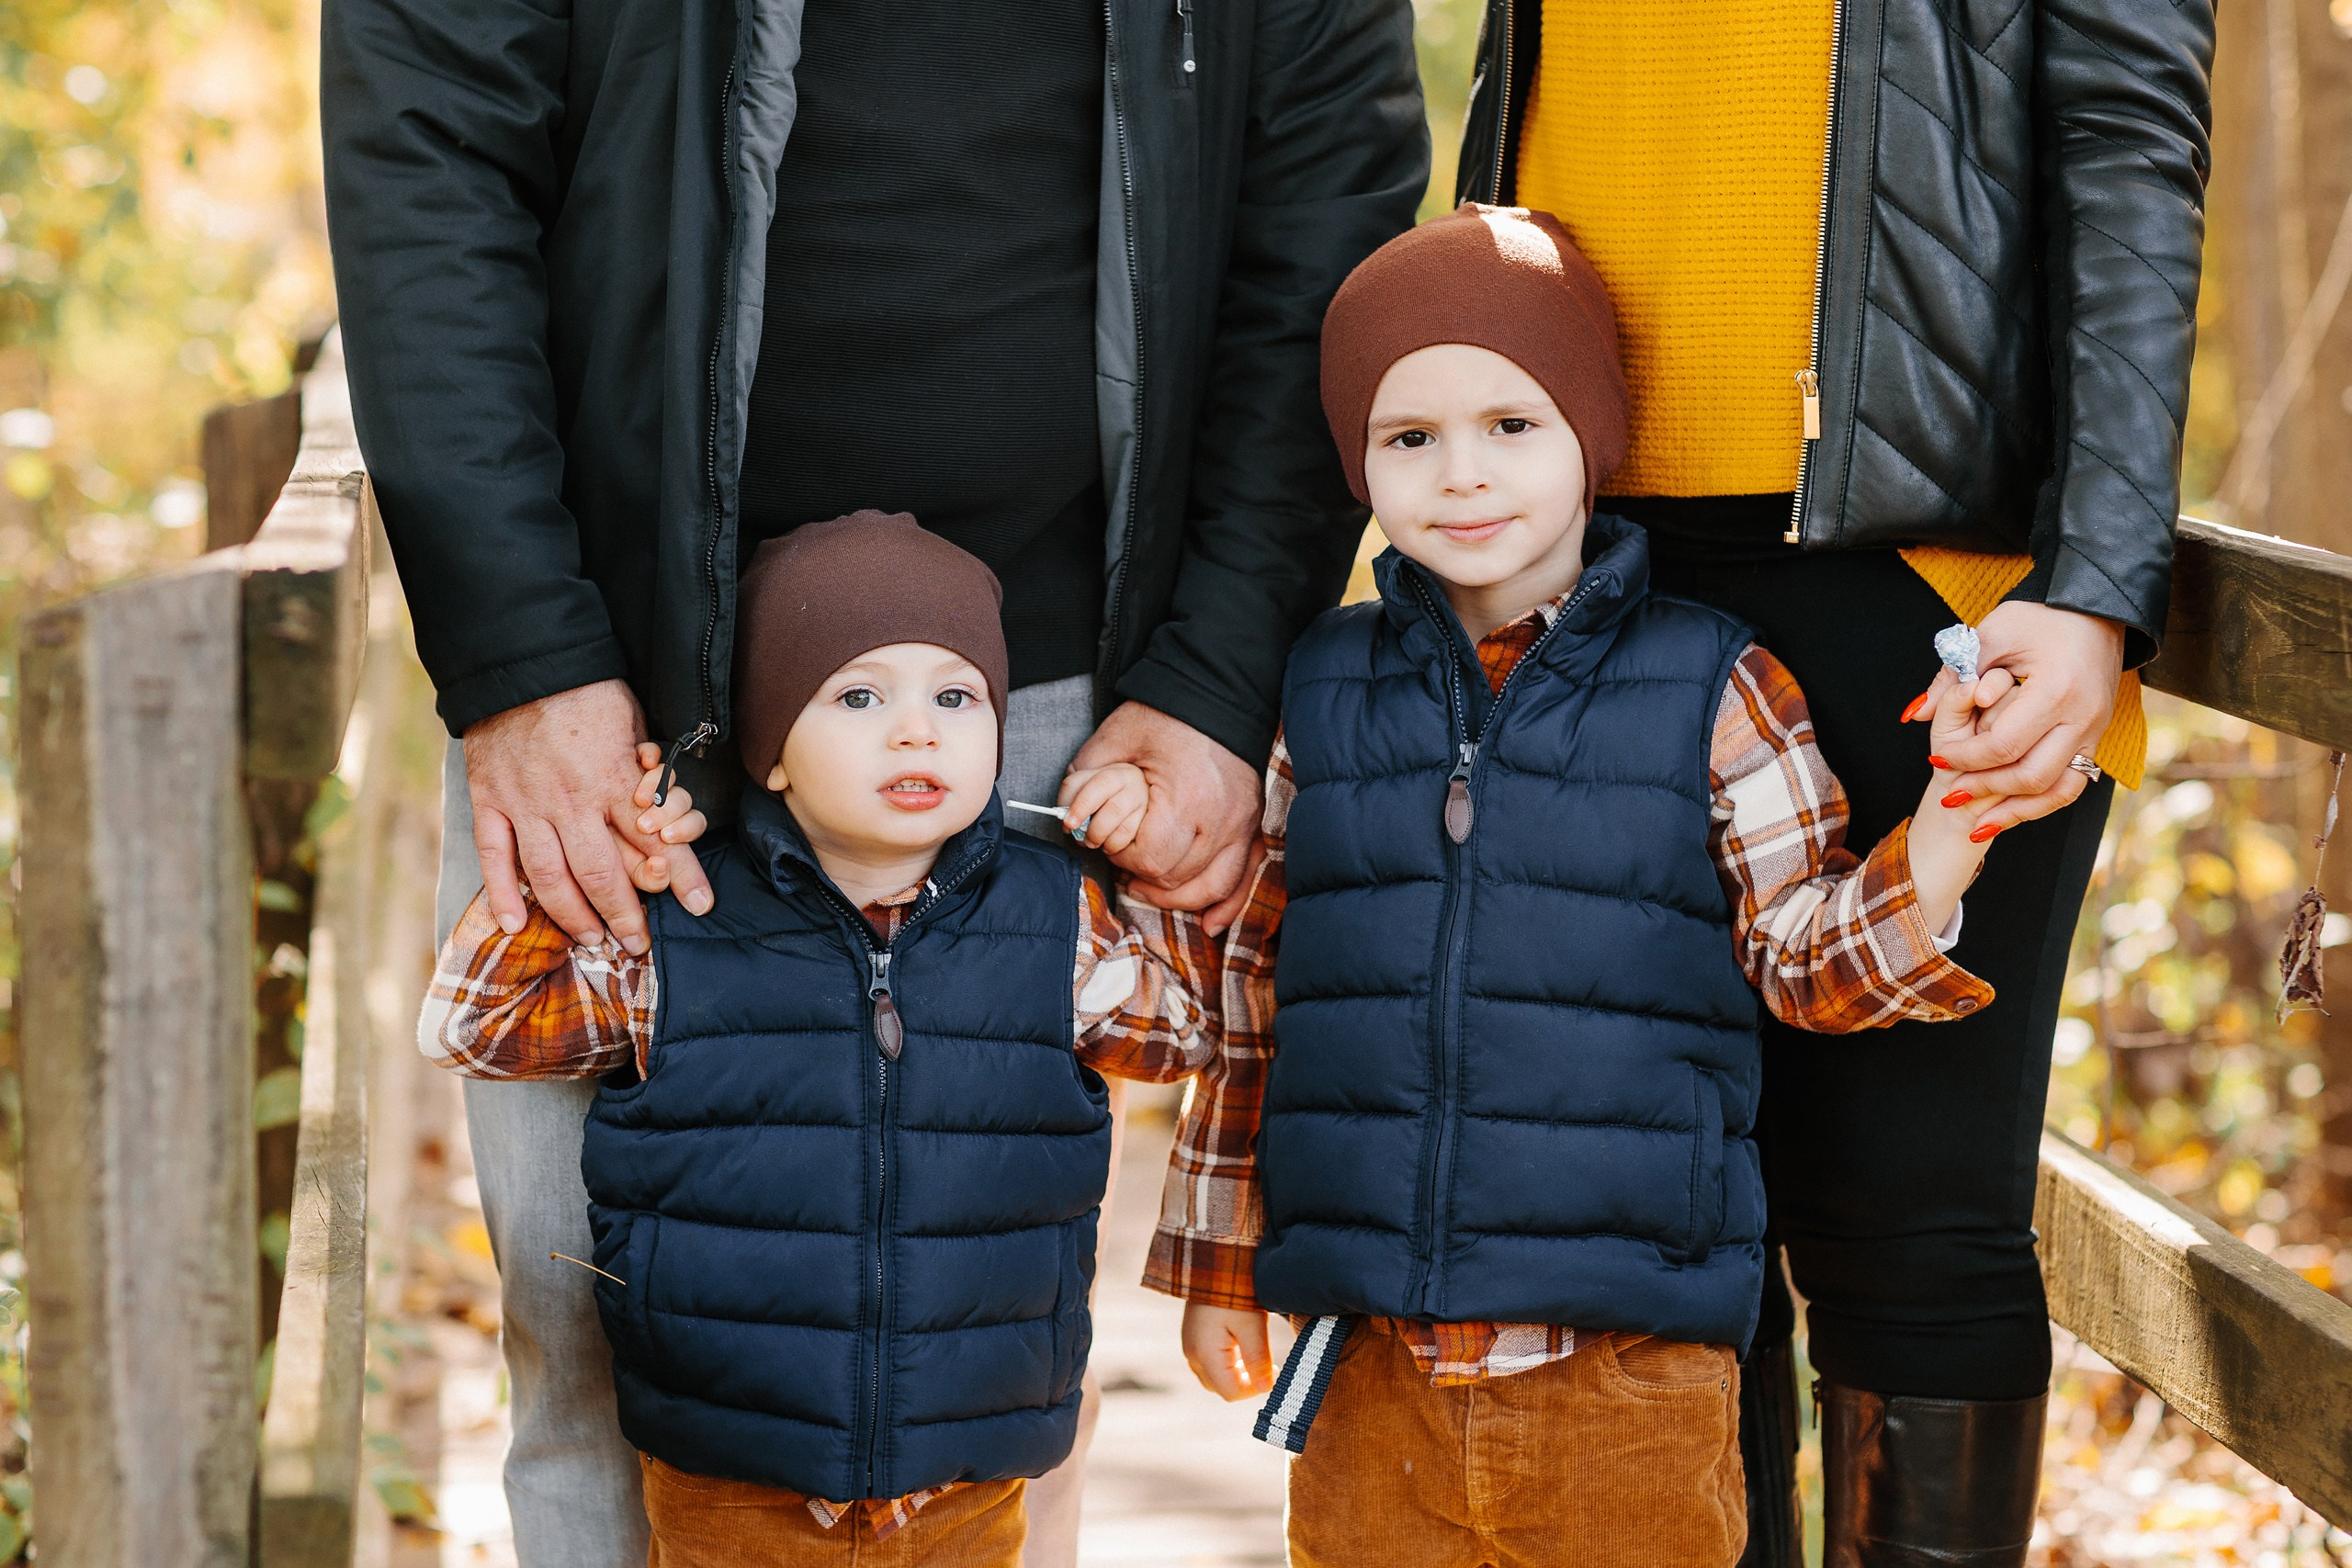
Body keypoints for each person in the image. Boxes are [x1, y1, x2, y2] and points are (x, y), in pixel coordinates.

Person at [321, 2, 1428, 1559]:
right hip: (621, 686)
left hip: (1048, 700)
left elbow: (1323, 208)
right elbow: (430, 150)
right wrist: (521, 652)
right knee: (591, 1339)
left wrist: (1217, 674)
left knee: (995, 1365)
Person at [1448, 4, 2215, 1560]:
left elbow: (2131, 135)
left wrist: (2095, 579)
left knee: (1912, 1223)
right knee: (1651, 1240)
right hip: (1580, 555)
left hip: (1931, 570)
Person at [1152, 206, 2013, 1568]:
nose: (1462, 473)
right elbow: (1257, 991)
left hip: (1627, 1367)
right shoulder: (1321, 687)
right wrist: (1215, 1263)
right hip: (1370, 1365)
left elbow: (1803, 959)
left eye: (1513, 423)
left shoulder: (1714, 682)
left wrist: (1955, 819)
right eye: (1408, 437)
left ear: (1591, 438)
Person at [418, 513, 1213, 1567]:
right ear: (772, 756)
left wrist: (1151, 861)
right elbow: (478, 1026)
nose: (916, 731)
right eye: (858, 697)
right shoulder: (681, 927)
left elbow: (1181, 1033)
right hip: (728, 1467)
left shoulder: (1055, 923)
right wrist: (602, 859)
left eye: (955, 697)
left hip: (965, 1466)